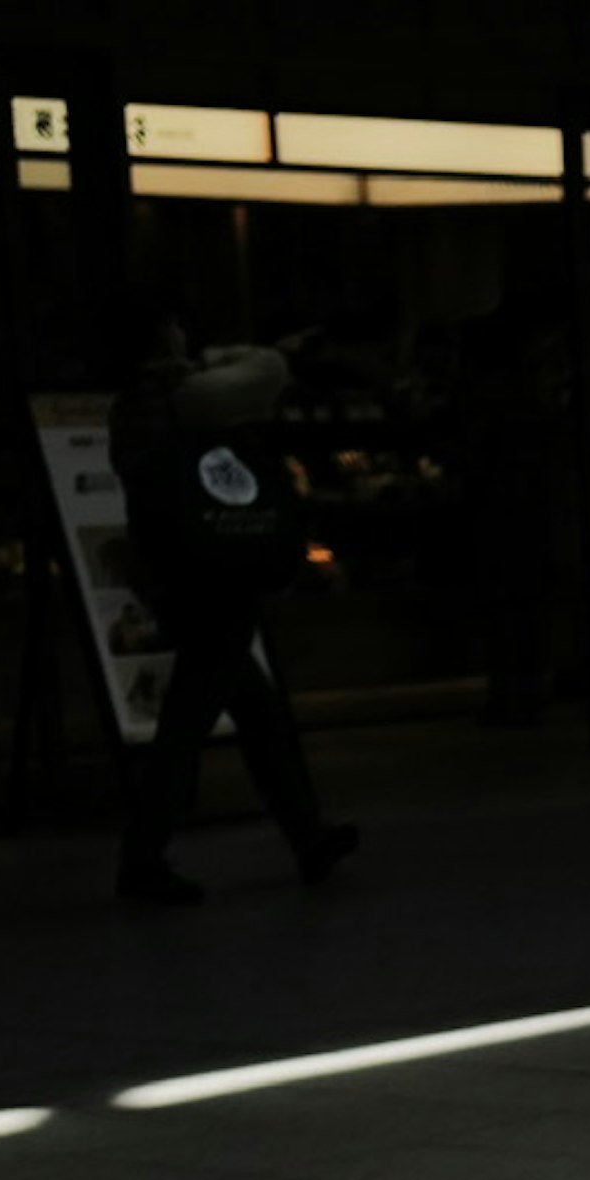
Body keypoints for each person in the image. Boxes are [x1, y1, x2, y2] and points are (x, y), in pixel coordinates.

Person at [110, 339, 359, 906]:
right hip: (211, 587)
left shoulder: (141, 420)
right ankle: (143, 860)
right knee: (189, 725)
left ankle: (307, 838)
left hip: (190, 581)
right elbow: (267, 366)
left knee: (251, 714)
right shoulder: (181, 408)